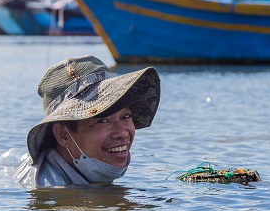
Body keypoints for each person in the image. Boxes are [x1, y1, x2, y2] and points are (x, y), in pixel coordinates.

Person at [11, 54, 160, 187]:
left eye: (125, 117)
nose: (122, 133)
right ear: (63, 135)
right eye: (103, 121)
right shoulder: (52, 189)